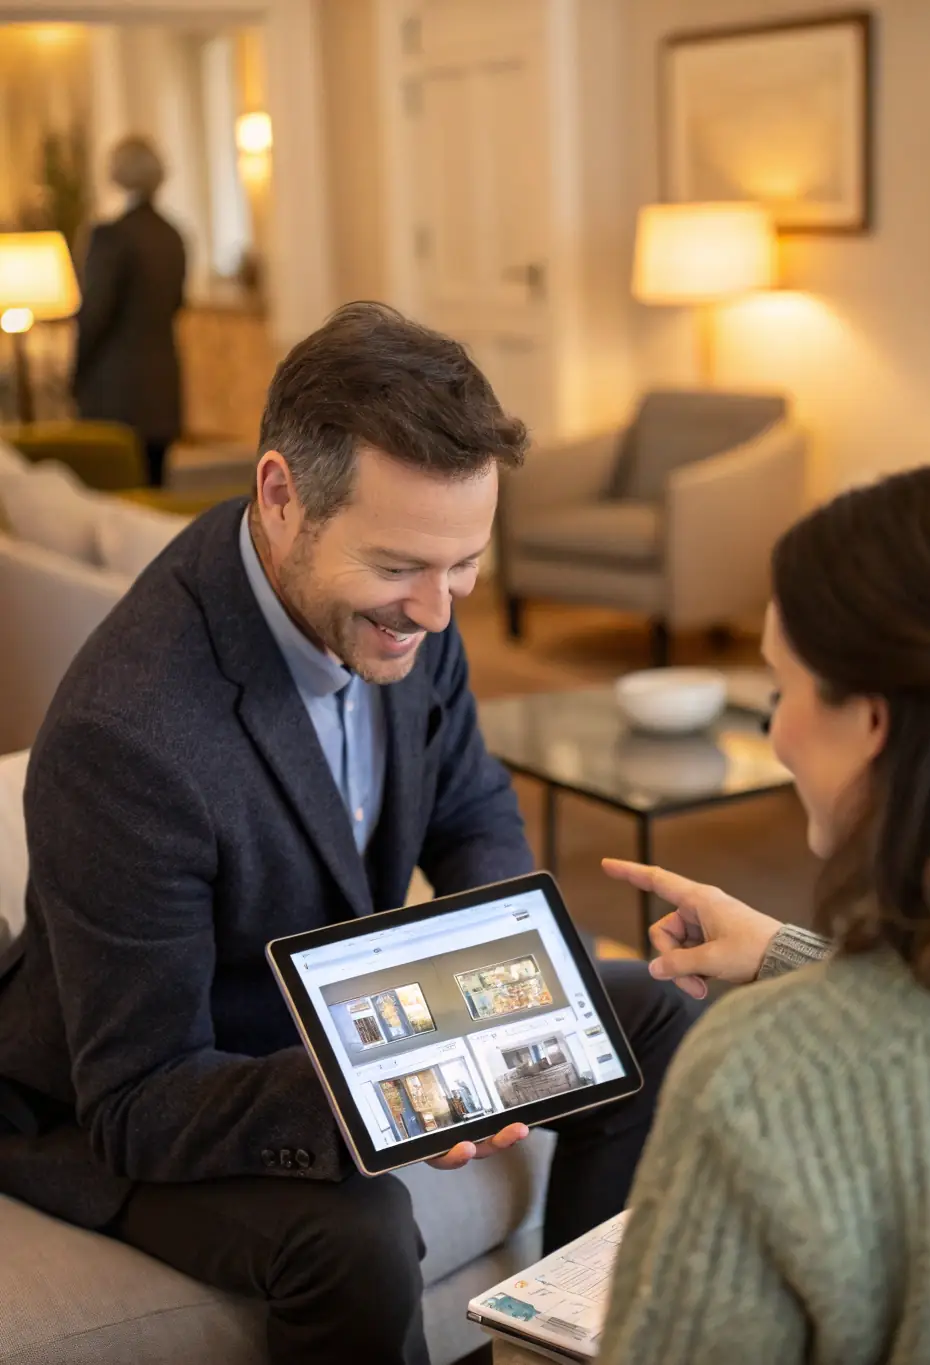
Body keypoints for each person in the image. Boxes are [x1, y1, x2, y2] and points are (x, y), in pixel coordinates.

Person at [0, 303, 699, 1365]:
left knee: (644, 1027)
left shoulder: (413, 597)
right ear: (280, 497)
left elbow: (469, 810)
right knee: (358, 1231)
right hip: (148, 1084)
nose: (437, 611)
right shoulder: (129, 735)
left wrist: (508, 989)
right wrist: (406, 1086)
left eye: (465, 565)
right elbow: (136, 1098)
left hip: (345, 1000)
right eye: (402, 570)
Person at [598, 463, 930, 1365]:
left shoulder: (757, 1079)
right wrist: (788, 956)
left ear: (871, 721)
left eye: (781, 686)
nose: (775, 728)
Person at [72, 136, 186, 488]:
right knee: (156, 488)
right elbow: (177, 303)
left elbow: (95, 315)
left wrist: (74, 377)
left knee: (115, 493)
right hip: (163, 382)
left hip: (115, 391)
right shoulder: (173, 236)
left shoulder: (111, 236)